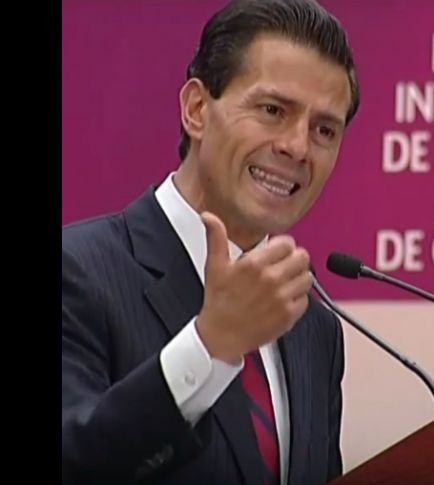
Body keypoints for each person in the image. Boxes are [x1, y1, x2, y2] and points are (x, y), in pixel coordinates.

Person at [61, 0, 360, 483]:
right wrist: (210, 346)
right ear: (197, 110)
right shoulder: (76, 271)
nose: (297, 147)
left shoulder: (313, 329)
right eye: (272, 110)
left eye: (324, 129)